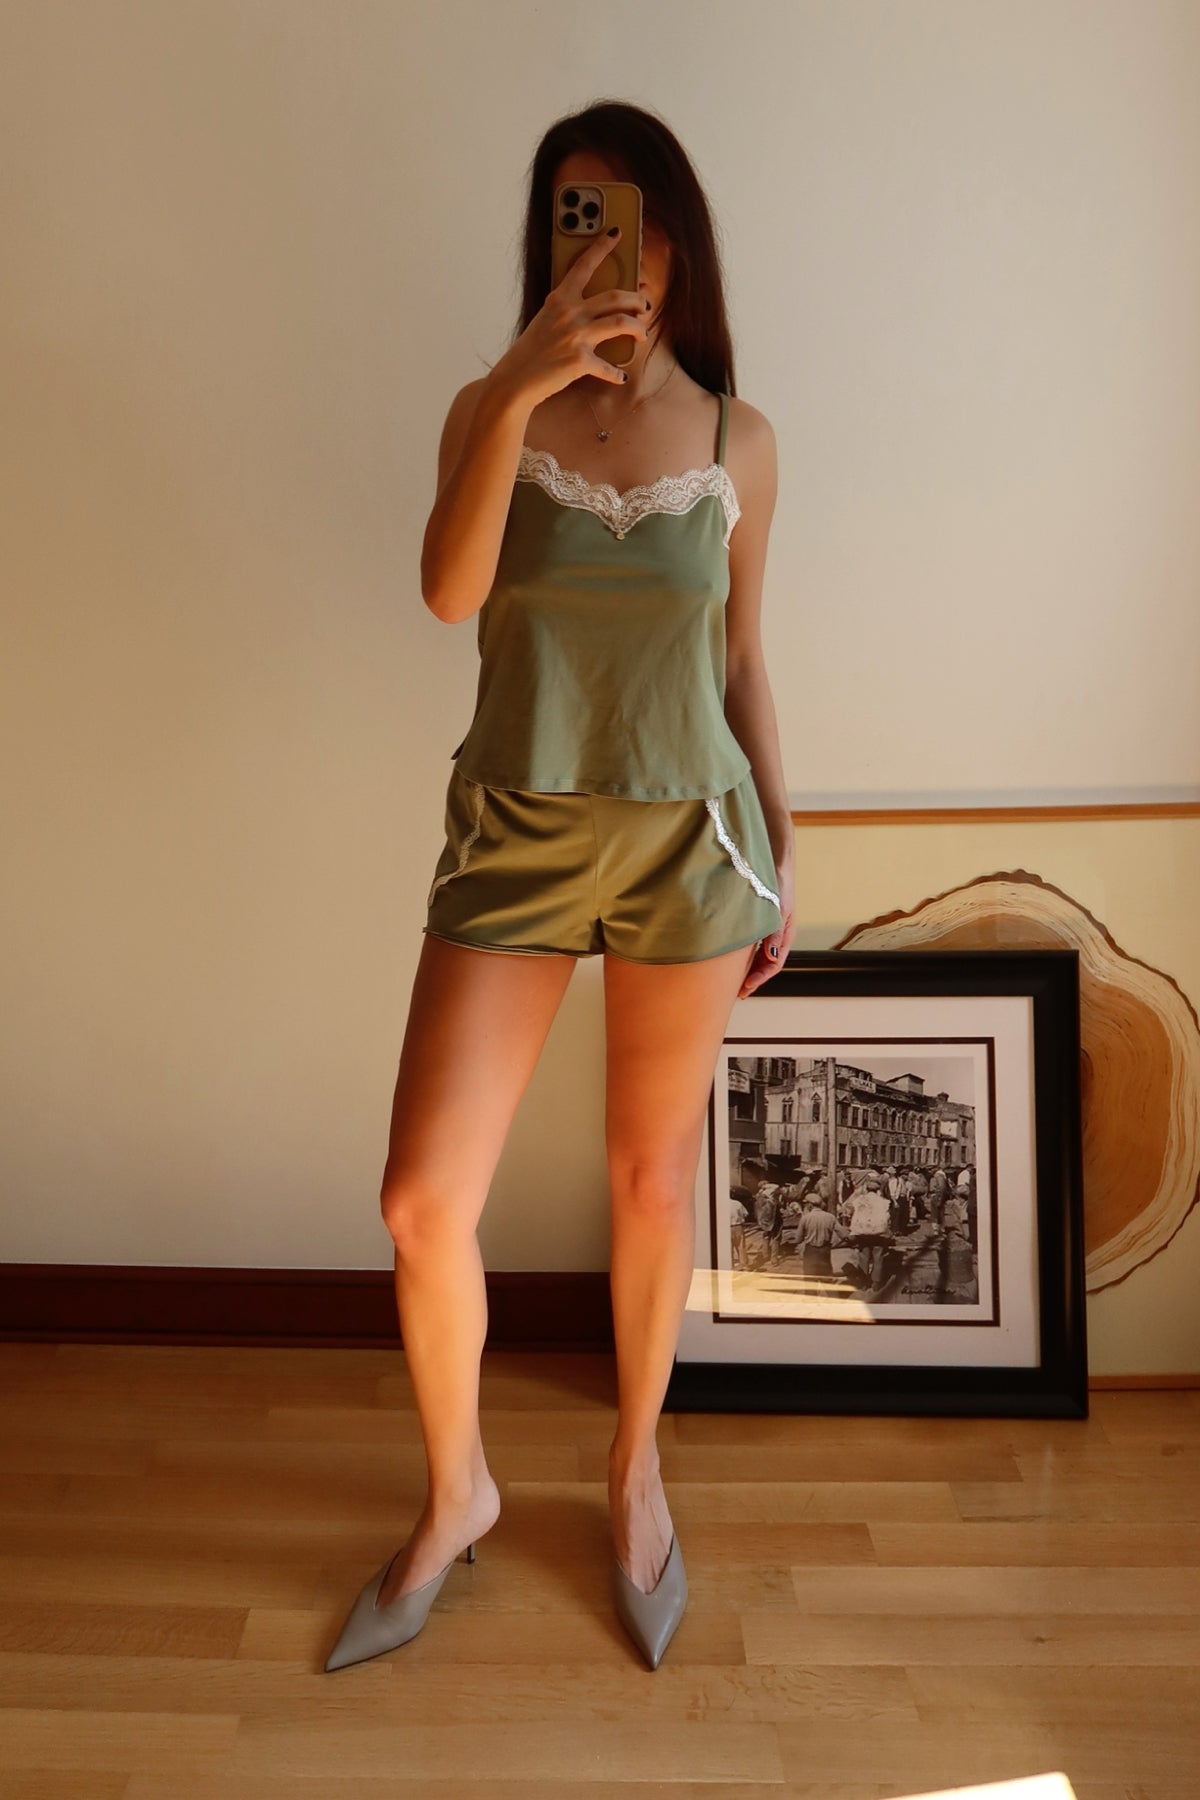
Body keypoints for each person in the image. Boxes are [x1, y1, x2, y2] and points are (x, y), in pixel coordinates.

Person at [324, 100, 795, 1677]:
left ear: (680, 241)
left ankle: (634, 1471)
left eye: (635, 221)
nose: (613, 255)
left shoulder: (737, 439)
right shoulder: (491, 408)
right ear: (547, 244)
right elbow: (447, 591)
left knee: (653, 1185)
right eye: (578, 221)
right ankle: (456, 1491)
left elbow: (741, 658)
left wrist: (783, 846)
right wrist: (527, 380)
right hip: (514, 834)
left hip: (690, 845)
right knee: (420, 1201)